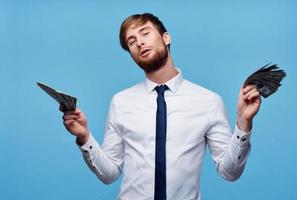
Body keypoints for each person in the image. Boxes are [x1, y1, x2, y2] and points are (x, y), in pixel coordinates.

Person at [60, 13, 261, 200]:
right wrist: (84, 137)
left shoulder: (208, 101)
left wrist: (243, 124)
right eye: (131, 41)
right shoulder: (120, 102)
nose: (139, 42)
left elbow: (230, 172)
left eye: (145, 33)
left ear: (166, 38)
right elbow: (109, 174)